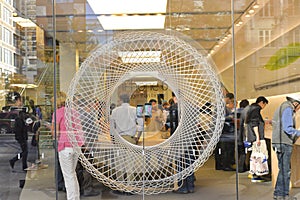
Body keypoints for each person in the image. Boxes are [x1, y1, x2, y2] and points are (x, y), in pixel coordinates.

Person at [51, 91, 84, 200]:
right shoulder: (74, 112)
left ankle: (72, 198)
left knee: (68, 176)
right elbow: (79, 130)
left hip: (65, 147)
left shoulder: (58, 112)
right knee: (72, 174)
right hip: (76, 146)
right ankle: (75, 197)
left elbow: (55, 132)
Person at [272, 94, 300, 200]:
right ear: (296, 103)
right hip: (284, 142)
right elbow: (288, 128)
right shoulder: (288, 108)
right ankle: (283, 196)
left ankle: (278, 194)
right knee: (285, 170)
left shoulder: (281, 107)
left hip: (278, 142)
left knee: (283, 170)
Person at [245, 96, 269, 182]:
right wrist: (258, 138)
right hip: (257, 139)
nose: (264, 107)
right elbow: (255, 124)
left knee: (255, 157)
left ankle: (254, 174)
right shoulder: (256, 109)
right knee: (260, 157)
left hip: (252, 138)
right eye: (265, 105)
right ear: (262, 102)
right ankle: (258, 175)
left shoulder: (251, 109)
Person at [237, 99, 250, 173]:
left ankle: (241, 166)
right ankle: (242, 168)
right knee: (243, 153)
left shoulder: (236, 111)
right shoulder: (245, 112)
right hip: (242, 135)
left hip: (236, 135)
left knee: (240, 152)